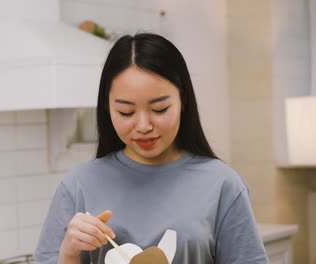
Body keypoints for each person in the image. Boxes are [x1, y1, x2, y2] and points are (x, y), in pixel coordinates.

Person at [34, 33, 268, 264]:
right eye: (126, 112)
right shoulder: (78, 186)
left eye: (160, 109)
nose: (144, 126)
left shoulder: (222, 184)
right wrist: (68, 254)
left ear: (182, 100)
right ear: (107, 108)